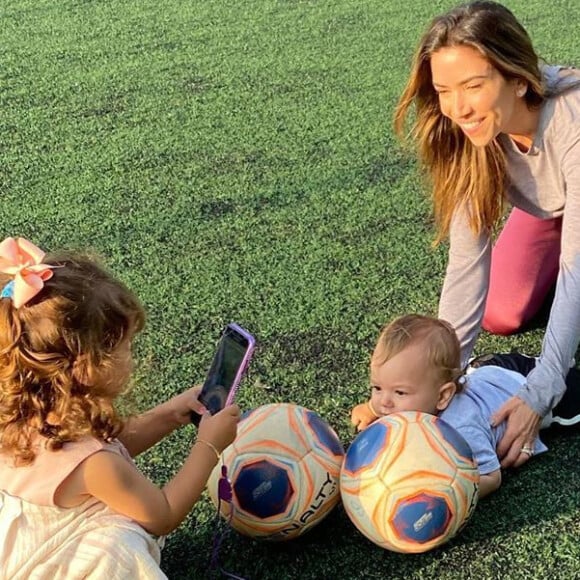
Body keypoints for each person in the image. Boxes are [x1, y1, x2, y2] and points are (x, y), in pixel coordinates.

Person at [393, 0, 580, 469]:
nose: (458, 107)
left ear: (518, 78)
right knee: (502, 311)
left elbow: (578, 269)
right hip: (552, 207)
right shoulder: (469, 135)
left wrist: (542, 389)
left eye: (473, 86)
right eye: (443, 90)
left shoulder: (573, 124)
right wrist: (435, 383)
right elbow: (466, 260)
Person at [0, 237, 240, 579]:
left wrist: (171, 414)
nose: (131, 355)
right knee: (120, 541)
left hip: (19, 548)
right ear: (87, 365)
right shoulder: (96, 466)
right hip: (54, 564)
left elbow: (108, 444)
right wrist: (209, 446)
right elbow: (163, 513)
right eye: (125, 346)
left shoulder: (31, 414)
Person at [350, 315, 580, 498]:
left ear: (443, 397)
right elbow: (385, 400)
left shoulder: (460, 430)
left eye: (399, 392)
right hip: (486, 368)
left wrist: (449, 492)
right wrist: (372, 409)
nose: (384, 402)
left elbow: (491, 476)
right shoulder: (401, 406)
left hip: (522, 384)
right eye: (377, 388)